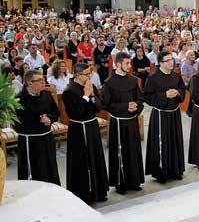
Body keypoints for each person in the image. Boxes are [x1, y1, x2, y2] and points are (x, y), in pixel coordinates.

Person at [62, 63, 109, 203]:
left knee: (95, 157)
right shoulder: (68, 91)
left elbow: (99, 107)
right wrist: (87, 96)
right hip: (78, 129)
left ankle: (98, 191)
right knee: (81, 161)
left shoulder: (90, 86)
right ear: (77, 74)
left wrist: (93, 96)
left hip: (91, 126)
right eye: (87, 74)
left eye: (90, 73)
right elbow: (77, 112)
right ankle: (83, 193)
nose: (90, 77)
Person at [102, 52, 145, 195]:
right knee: (119, 152)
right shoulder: (109, 82)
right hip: (118, 123)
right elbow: (106, 105)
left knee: (133, 150)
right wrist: (125, 106)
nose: (130, 65)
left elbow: (140, 98)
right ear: (118, 64)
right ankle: (120, 183)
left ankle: (134, 181)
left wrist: (136, 106)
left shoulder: (133, 80)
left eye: (130, 63)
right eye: (127, 63)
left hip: (132, 121)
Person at [144, 51, 186, 183]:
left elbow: (183, 90)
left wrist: (177, 93)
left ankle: (176, 170)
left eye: (172, 60)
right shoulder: (153, 78)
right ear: (160, 63)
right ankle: (161, 173)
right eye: (168, 61)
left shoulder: (176, 76)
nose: (171, 62)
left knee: (175, 140)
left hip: (174, 113)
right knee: (162, 143)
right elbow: (148, 97)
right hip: (160, 115)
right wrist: (165, 95)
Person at [14, 70, 60, 185]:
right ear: (29, 83)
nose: (43, 82)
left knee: (50, 168)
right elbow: (17, 124)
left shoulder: (47, 95)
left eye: (43, 79)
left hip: (46, 138)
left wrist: (49, 119)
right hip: (30, 142)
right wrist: (39, 121)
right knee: (34, 172)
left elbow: (56, 113)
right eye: (39, 80)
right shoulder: (19, 99)